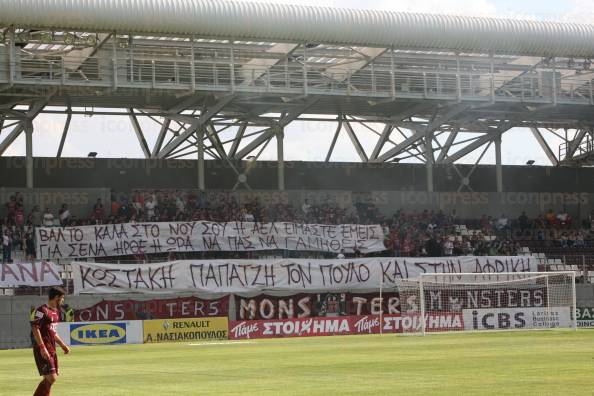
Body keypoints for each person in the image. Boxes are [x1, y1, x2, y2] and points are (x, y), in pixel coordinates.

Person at [30, 286, 70, 396]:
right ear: (56, 297)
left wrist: (62, 345)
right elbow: (35, 327)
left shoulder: (56, 312)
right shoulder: (41, 310)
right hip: (43, 347)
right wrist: (42, 347)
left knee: (50, 379)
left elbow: (53, 332)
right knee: (51, 378)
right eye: (62, 298)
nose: (63, 300)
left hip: (51, 347)